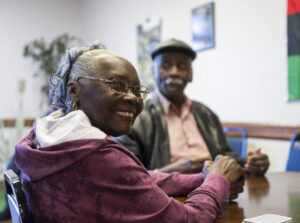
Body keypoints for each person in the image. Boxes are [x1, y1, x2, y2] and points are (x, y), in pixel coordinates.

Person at [13, 42, 243, 223]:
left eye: (137, 89)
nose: (134, 98)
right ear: (75, 91)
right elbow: (189, 219)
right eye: (117, 85)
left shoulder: (46, 138)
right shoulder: (99, 156)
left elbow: (137, 180)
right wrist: (217, 180)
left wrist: (202, 178)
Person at [115, 38, 270, 176]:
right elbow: (128, 177)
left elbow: (227, 156)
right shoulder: (134, 117)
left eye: (181, 66)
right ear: (153, 72)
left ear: (190, 74)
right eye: (166, 65)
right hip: (169, 198)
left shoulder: (207, 114)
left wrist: (250, 164)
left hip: (218, 190)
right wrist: (171, 172)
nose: (174, 72)